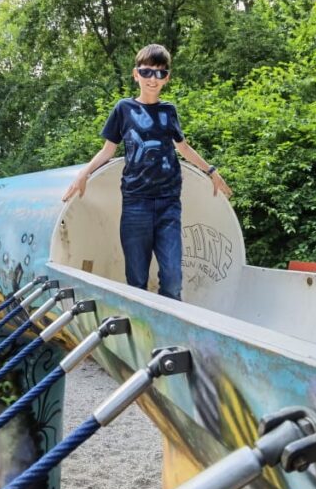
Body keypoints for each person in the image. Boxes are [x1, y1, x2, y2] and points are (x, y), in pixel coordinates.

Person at [62, 44, 232, 301]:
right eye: (147, 72)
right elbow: (108, 150)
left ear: (167, 78)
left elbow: (182, 147)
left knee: (173, 279)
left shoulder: (168, 111)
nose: (153, 79)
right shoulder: (123, 109)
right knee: (137, 280)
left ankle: (170, 327)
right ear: (136, 74)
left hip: (168, 202)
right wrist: (83, 175)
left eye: (160, 73)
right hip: (136, 203)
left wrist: (211, 171)